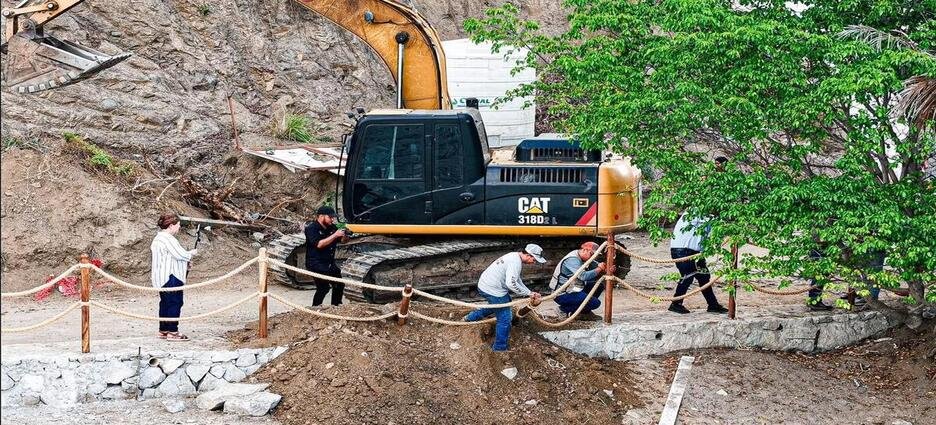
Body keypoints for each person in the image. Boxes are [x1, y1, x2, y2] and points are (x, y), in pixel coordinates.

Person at [464, 244, 546, 351]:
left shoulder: (514, 256)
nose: (534, 263)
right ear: (529, 255)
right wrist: (528, 294)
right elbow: (511, 284)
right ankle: (500, 347)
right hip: (492, 289)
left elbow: (517, 279)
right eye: (534, 260)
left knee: (499, 305)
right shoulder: (515, 262)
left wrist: (529, 292)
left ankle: (470, 318)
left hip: (487, 285)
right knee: (505, 319)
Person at [668, 212, 728, 314]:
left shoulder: (707, 216)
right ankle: (675, 304)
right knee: (687, 276)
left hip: (694, 252)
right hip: (682, 250)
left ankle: (713, 305)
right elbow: (719, 224)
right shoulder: (695, 212)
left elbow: (714, 232)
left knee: (704, 277)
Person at [150, 213, 196, 341]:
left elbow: (171, 257)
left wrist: (185, 262)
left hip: (161, 276)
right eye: (178, 225)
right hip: (171, 277)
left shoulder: (158, 239)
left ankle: (163, 329)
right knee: (175, 302)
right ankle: (173, 331)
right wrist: (191, 254)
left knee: (165, 302)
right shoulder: (168, 239)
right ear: (171, 225)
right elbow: (179, 254)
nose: (179, 228)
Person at [305, 205, 349, 307]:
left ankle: (336, 305)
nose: (332, 219)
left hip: (329, 263)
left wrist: (345, 235)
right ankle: (315, 307)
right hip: (316, 263)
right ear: (321, 216)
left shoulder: (332, 227)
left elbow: (343, 241)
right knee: (323, 288)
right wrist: (335, 235)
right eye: (330, 217)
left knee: (339, 284)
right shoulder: (311, 228)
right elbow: (319, 244)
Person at [550, 242, 606, 320]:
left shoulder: (581, 257)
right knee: (595, 303)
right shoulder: (572, 259)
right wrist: (599, 269)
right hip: (562, 293)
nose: (593, 258)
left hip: (573, 288)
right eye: (592, 254)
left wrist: (605, 268)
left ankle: (584, 312)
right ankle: (562, 310)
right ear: (585, 250)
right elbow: (582, 276)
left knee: (599, 286)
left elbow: (595, 266)